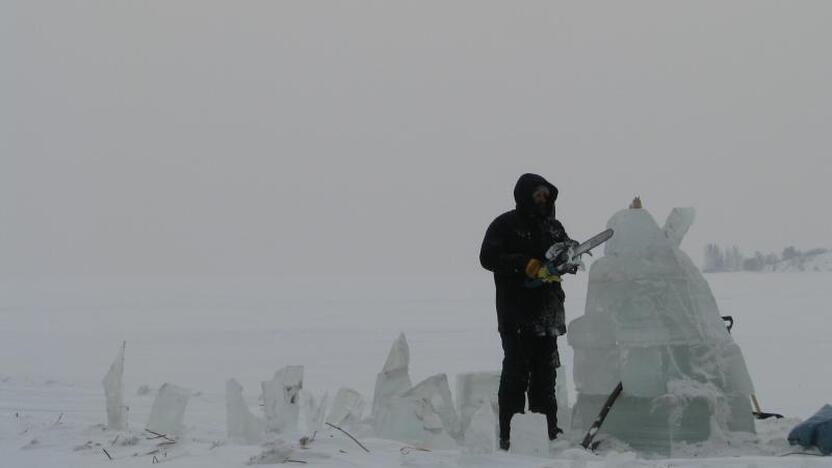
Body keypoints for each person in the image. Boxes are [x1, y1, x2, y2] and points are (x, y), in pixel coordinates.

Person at [479, 173, 576, 450]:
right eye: (537, 194)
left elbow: (565, 252)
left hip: (548, 312)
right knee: (516, 373)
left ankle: (547, 431)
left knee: (546, 375)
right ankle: (509, 433)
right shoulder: (505, 225)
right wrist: (525, 264)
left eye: (546, 195)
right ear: (524, 195)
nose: (542, 199)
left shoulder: (554, 227)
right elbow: (487, 257)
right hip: (516, 312)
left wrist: (568, 259)